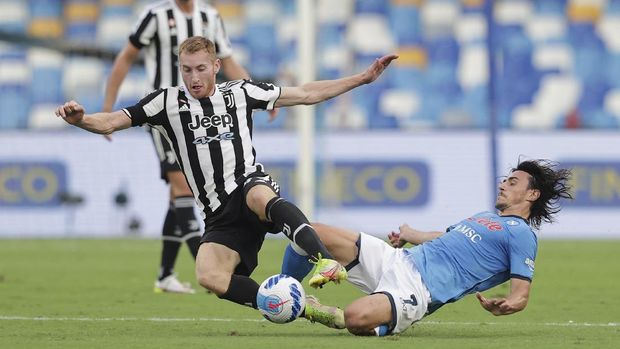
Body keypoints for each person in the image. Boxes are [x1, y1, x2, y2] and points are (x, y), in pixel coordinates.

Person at [56, 36, 398, 328]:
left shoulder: (241, 92)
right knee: (209, 276)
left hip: (248, 184)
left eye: (201, 68)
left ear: (216, 66)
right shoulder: (165, 102)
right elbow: (111, 122)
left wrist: (362, 79)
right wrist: (82, 119)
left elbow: (307, 93)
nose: (193, 77)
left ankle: (324, 259)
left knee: (258, 195)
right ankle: (303, 307)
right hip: (219, 214)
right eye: (187, 69)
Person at [283, 159, 572, 335]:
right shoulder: (486, 217)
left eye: (512, 182)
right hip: (397, 258)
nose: (502, 185)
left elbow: (521, 294)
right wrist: (410, 233)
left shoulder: (522, 235)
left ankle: (328, 313)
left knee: (354, 318)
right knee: (311, 232)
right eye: (505, 180)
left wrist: (508, 304)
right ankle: (285, 288)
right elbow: (445, 238)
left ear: (532, 194)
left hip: (417, 290)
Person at [102, 0, 255, 294]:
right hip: (167, 116)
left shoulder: (210, 17)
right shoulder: (155, 16)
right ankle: (208, 266)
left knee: (179, 194)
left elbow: (229, 61)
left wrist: (253, 91)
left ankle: (165, 274)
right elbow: (125, 57)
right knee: (182, 186)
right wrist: (109, 108)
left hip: (206, 118)